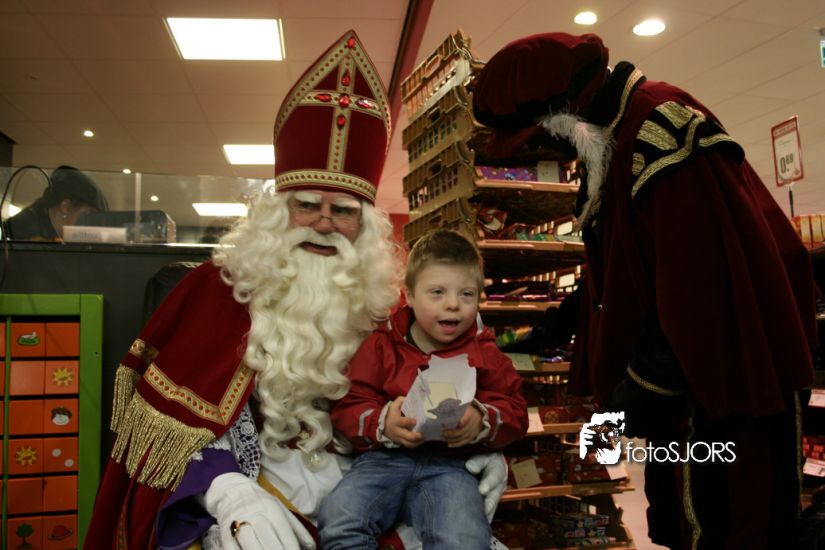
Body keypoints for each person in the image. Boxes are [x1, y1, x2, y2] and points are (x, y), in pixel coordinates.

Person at [84, 30, 507, 550]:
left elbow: (434, 396)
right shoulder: (214, 292)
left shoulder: (386, 305)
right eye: (307, 205)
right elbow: (167, 430)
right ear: (276, 213)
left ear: (365, 225)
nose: (324, 223)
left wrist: (473, 445)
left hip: (369, 494)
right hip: (254, 500)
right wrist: (227, 492)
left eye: (343, 211)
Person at [471, 32, 818, 549]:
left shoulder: (657, 128)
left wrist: (630, 398)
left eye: (541, 137)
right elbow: (627, 268)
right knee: (684, 523)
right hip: (686, 395)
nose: (546, 151)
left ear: (567, 111)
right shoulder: (613, 140)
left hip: (727, 390)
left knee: (729, 527)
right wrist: (552, 330)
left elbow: (700, 289)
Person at [318, 229, 529, 549]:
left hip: (451, 466)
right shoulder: (382, 345)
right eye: (437, 293)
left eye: (467, 294)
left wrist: (481, 420)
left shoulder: (486, 353)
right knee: (339, 519)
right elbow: (349, 401)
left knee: (465, 539)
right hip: (382, 460)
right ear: (410, 295)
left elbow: (515, 409)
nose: (453, 304)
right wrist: (383, 422)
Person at [5, 164, 108, 241]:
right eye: (88, 215)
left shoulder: (45, 229)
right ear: (65, 207)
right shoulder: (22, 231)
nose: (91, 224)